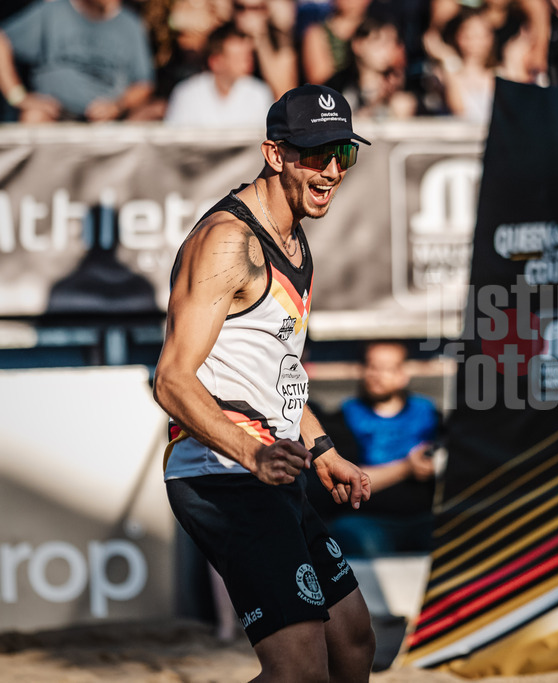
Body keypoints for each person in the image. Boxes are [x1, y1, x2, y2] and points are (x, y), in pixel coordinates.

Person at [153, 83, 376, 682]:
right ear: (275, 155)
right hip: (220, 472)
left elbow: (277, 369)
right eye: (315, 153)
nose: (331, 169)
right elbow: (171, 380)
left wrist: (323, 448)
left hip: (270, 466)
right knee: (300, 669)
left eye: (344, 154)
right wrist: (253, 451)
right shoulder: (230, 241)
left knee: (353, 643)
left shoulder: (294, 238)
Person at [310, 341, 439, 557]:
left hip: (424, 518)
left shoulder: (428, 415)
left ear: (403, 374)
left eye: (388, 368)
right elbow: (347, 480)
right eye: (372, 366)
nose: (377, 375)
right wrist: (407, 467)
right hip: (367, 521)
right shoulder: (343, 418)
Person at [0, 0, 156, 122]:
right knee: (34, 117)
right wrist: (18, 97)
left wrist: (116, 106)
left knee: (152, 114)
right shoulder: (54, 12)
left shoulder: (131, 25)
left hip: (109, 123)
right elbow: (2, 42)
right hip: (55, 116)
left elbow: (143, 85)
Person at [163, 22, 275, 127]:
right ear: (215, 62)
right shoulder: (186, 94)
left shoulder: (259, 93)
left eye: (249, 55)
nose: (247, 62)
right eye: (238, 57)